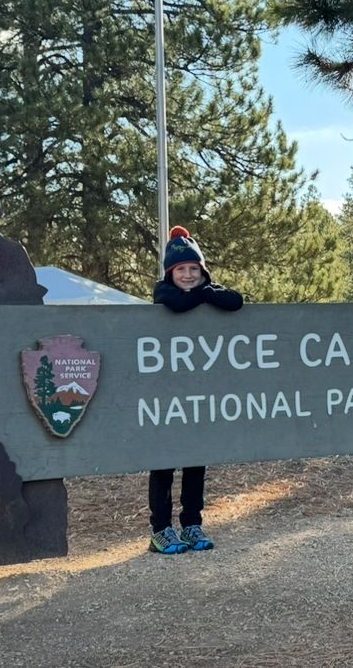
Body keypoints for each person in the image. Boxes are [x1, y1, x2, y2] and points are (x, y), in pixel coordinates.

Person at [148, 225, 244, 554]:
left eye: (194, 269)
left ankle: (191, 523)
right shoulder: (164, 292)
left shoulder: (207, 290)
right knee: (163, 463)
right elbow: (174, 303)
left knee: (195, 461)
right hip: (165, 395)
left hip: (197, 396)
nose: (188, 275)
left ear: (203, 272)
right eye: (181, 270)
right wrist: (204, 297)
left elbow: (235, 301)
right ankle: (161, 529)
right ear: (169, 273)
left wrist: (206, 293)